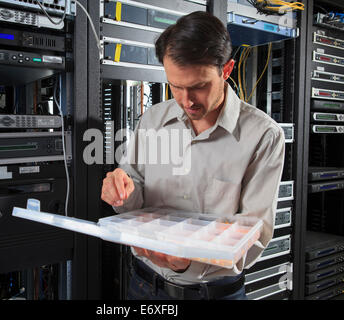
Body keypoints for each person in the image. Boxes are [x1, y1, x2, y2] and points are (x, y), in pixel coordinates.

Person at [100, 11, 285, 300]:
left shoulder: (263, 135)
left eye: (199, 87)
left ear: (226, 69)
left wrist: (190, 261)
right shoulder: (154, 119)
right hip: (144, 284)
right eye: (176, 86)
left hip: (213, 293)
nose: (187, 100)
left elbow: (255, 233)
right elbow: (134, 190)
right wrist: (122, 190)